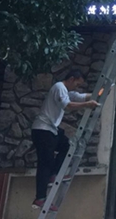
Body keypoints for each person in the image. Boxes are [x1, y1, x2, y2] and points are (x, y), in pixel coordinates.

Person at [30, 69, 99, 209]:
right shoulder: (59, 87)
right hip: (43, 130)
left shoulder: (67, 91)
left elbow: (80, 97)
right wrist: (87, 105)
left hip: (50, 130)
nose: (77, 87)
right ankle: (40, 198)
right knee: (45, 164)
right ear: (71, 79)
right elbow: (67, 106)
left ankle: (54, 174)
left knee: (66, 146)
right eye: (77, 84)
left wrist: (100, 93)